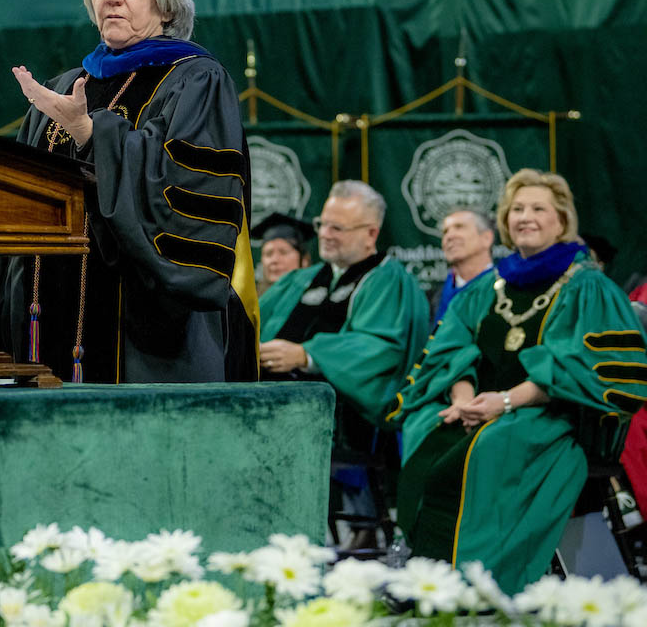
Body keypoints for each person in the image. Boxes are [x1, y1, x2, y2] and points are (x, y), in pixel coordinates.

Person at [0, 0, 255, 383]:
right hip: (45, 331)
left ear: (166, 0)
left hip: (148, 339)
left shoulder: (196, 80)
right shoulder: (66, 88)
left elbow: (184, 197)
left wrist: (91, 134)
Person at [390, 169, 647, 593]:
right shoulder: (490, 286)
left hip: (555, 416)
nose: (525, 217)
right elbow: (453, 347)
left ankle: (477, 580)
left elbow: (583, 366)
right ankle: (421, 568)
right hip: (485, 410)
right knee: (427, 425)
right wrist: (466, 399)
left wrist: (505, 402)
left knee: (494, 443)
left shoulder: (587, 287)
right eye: (517, 209)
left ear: (562, 221)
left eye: (538, 209)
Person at [259, 180, 429, 483]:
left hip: (339, 424)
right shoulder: (299, 280)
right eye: (323, 224)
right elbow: (251, 322)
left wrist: (306, 355)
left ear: (371, 234)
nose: (324, 234)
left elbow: (381, 348)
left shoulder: (388, 282)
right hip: (272, 405)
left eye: (338, 228)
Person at [431, 209, 495, 325]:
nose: (449, 236)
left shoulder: (504, 289)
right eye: (445, 231)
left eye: (459, 227)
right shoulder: (436, 298)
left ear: (486, 238)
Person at [251, 212, 315, 296]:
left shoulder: (316, 301)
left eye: (283, 252)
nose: (274, 260)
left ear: (304, 260)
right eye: (268, 254)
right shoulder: (252, 304)